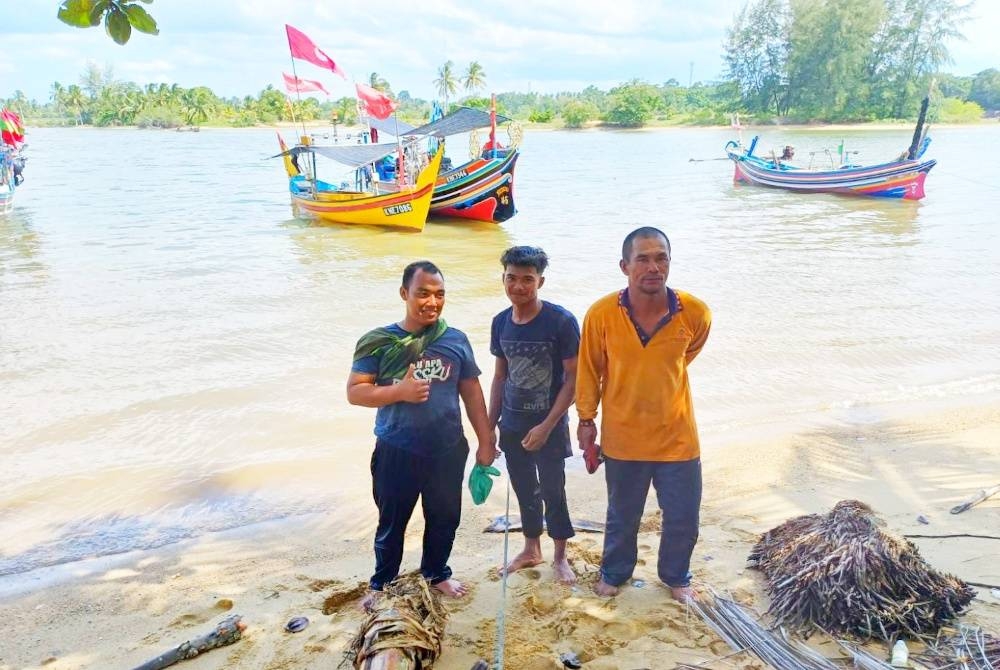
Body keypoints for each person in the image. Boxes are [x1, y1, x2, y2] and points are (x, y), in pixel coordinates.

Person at [347, 260, 496, 602]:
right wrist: (398, 392)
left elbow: (471, 392)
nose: (432, 302)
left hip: (447, 448)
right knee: (391, 524)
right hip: (396, 448)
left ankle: (436, 573)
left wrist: (486, 440)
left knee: (445, 518)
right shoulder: (378, 342)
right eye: (423, 293)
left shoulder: (454, 339)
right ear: (404, 293)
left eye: (439, 294)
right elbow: (355, 392)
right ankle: (382, 583)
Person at [576, 227, 711, 601]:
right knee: (623, 516)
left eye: (661, 257)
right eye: (643, 258)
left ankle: (676, 577)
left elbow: (686, 355)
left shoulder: (694, 312)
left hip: (678, 438)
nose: (653, 267)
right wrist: (586, 420)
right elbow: (589, 370)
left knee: (683, 518)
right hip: (623, 438)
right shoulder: (602, 314)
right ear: (625, 266)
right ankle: (615, 573)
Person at [488, 246, 581, 584]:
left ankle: (559, 557)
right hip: (512, 423)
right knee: (525, 489)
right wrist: (488, 427)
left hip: (550, 424)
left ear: (540, 280)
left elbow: (574, 379)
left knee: (554, 489)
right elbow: (500, 376)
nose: (519, 286)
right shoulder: (501, 322)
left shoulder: (561, 321)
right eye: (512, 278)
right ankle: (531, 548)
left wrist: (546, 425)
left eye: (527, 279)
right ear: (503, 279)